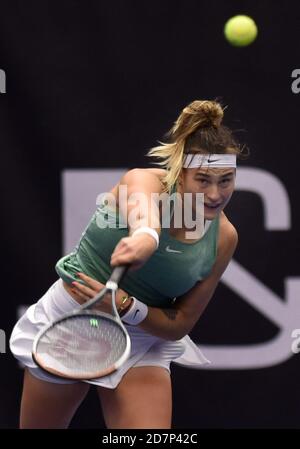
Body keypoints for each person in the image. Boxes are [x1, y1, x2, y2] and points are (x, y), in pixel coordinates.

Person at [10, 99, 248, 429]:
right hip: (72, 320)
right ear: (180, 175)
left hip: (141, 339)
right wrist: (146, 238)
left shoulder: (224, 237)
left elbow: (180, 323)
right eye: (203, 179)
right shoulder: (143, 181)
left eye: (226, 180)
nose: (215, 194)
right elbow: (144, 215)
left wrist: (124, 305)